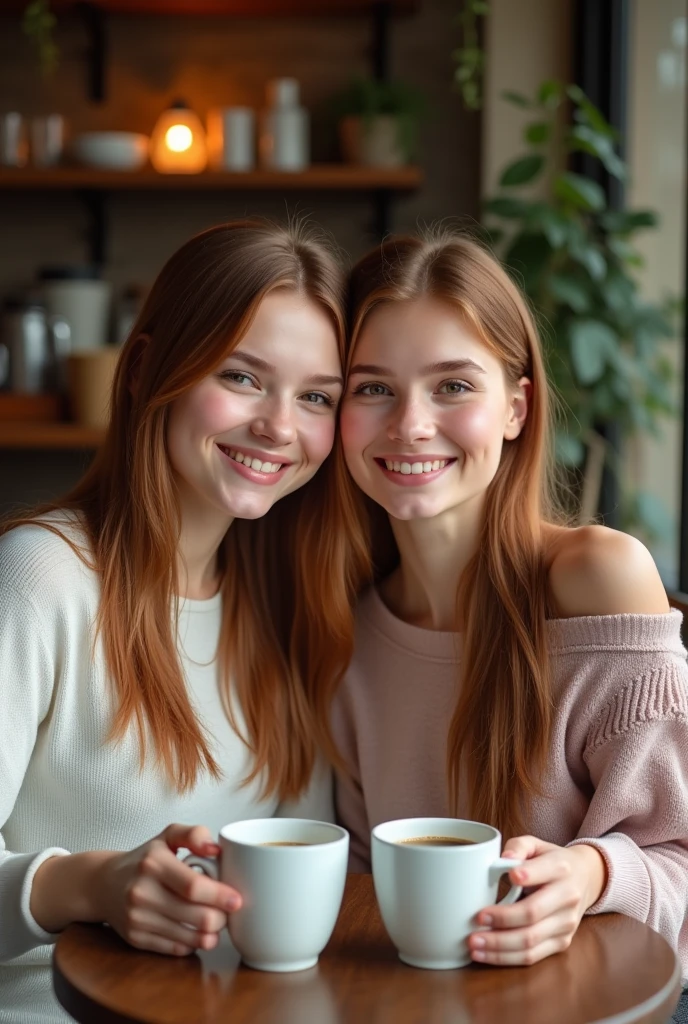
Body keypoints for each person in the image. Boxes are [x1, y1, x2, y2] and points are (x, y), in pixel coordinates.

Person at [0, 219, 365, 1024]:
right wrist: (87, 884)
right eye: (241, 376)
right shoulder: (41, 578)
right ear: (143, 372)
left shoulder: (289, 605)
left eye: (316, 398)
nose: (279, 426)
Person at [327, 230, 688, 1011]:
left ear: (517, 407)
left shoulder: (596, 575)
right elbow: (361, 886)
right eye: (373, 388)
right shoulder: (349, 628)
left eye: (454, 386)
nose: (411, 425)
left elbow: (681, 854)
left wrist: (593, 872)